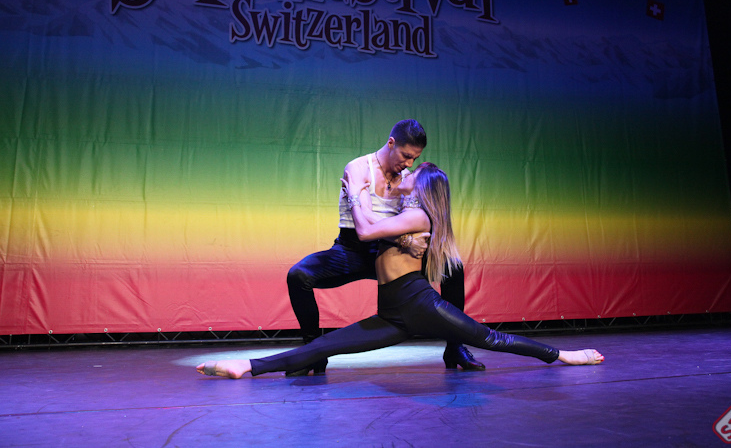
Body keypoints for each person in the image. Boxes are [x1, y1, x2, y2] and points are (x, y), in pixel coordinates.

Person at [197, 162, 604, 379]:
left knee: (490, 338)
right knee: (326, 346)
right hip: (393, 313)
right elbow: (374, 227)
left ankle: (565, 356)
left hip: (419, 304)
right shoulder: (404, 215)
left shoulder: (419, 216)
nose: (407, 170)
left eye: (415, 169)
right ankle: (246, 366)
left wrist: (356, 193)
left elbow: (366, 229)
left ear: (424, 187)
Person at [283, 119, 484, 375]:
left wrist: (407, 241)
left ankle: (455, 347)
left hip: (392, 256)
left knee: (452, 268)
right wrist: (405, 240)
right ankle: (311, 353)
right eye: (406, 156)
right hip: (353, 249)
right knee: (298, 276)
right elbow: (365, 225)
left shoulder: (410, 179)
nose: (409, 163)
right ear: (391, 143)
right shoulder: (359, 168)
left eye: (415, 158)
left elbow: (417, 221)